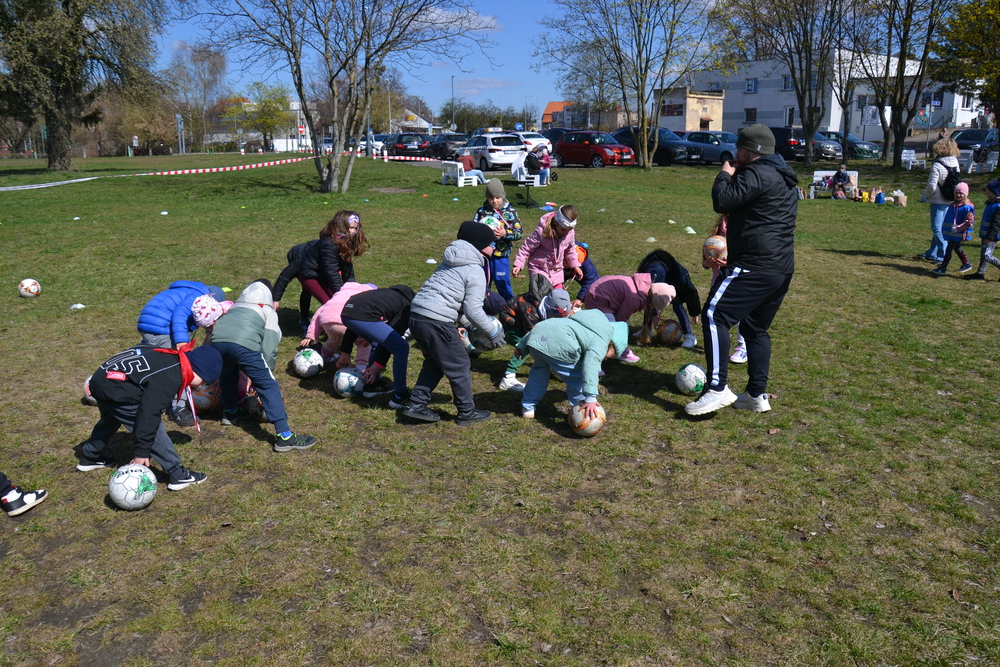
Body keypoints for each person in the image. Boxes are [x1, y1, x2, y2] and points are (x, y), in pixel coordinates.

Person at [686, 124, 797, 416]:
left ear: (751, 150)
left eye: (739, 148)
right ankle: (755, 395)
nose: (736, 153)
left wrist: (725, 173)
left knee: (714, 315)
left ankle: (717, 388)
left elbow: (722, 201)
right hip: (781, 268)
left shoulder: (757, 173)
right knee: (754, 328)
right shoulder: (783, 175)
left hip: (754, 265)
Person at [76, 344, 223, 491]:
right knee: (154, 428)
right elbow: (148, 414)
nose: (200, 386)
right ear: (197, 370)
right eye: (203, 381)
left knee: (111, 419)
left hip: (101, 380)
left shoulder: (169, 355)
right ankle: (177, 474)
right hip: (116, 389)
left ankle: (90, 456)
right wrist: (141, 453)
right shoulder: (170, 377)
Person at [403, 221, 506, 425]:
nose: (494, 246)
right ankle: (467, 412)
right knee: (460, 364)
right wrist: (492, 332)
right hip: (436, 321)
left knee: (435, 362)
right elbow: (473, 310)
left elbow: (454, 303)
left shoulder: (449, 262)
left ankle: (416, 404)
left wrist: (469, 325)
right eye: (491, 243)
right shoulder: (474, 269)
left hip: (417, 316)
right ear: (478, 245)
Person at [211, 280, 317, 452]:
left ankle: (230, 412)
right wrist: (264, 372)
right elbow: (269, 347)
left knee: (228, 375)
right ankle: (284, 436)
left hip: (216, 341)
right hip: (243, 345)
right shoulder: (267, 311)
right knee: (268, 385)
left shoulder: (236, 306)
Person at [136, 280, 227, 426]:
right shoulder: (197, 296)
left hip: (150, 323)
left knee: (151, 356)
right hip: (161, 327)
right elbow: (179, 315)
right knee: (178, 366)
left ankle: (131, 386)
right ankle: (177, 407)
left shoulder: (187, 291)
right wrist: (182, 341)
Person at [516, 308, 630, 420]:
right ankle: (582, 410)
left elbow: (544, 326)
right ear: (612, 344)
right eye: (612, 355)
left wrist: (521, 346)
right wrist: (591, 397)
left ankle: (528, 407)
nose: (606, 359)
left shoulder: (578, 324)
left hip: (537, 340)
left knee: (539, 373)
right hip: (560, 344)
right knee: (577, 378)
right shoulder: (602, 341)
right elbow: (590, 365)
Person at [277, 211, 370, 324]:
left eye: (356, 228)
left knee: (338, 300)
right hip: (307, 273)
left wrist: (351, 291)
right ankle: (309, 322)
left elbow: (347, 269)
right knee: (330, 303)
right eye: (351, 228)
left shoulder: (345, 241)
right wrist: (275, 298)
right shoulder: (329, 244)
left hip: (321, 271)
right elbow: (331, 272)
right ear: (342, 226)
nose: (354, 231)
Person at [340, 285, 417, 407]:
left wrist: (345, 351)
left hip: (347, 312)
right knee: (401, 347)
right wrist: (378, 364)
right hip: (363, 315)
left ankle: (373, 385)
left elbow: (354, 319)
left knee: (378, 341)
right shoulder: (408, 306)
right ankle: (400, 396)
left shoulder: (389, 295)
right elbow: (394, 333)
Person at [496, 274, 572, 392]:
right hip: (511, 321)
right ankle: (508, 377)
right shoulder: (532, 314)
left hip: (524, 320)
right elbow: (535, 339)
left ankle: (552, 367)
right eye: (555, 317)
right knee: (525, 345)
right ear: (546, 309)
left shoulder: (552, 303)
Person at [581, 273, 675, 363]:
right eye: (654, 307)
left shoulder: (643, 288)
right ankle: (612, 353)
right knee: (610, 330)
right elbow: (620, 322)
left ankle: (617, 348)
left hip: (600, 292)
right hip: (598, 298)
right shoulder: (635, 298)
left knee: (622, 324)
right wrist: (620, 338)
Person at [298, 281, 375, 369]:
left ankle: (325, 357)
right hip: (346, 322)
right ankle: (361, 366)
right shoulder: (364, 297)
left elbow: (319, 313)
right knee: (363, 341)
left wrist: (311, 334)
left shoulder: (339, 295)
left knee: (334, 339)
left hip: (328, 321)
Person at [703, 215, 748, 364]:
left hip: (737, 283)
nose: (725, 227)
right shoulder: (714, 241)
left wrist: (730, 263)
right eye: (724, 223)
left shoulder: (741, 238)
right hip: (718, 283)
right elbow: (704, 263)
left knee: (741, 316)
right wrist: (707, 264)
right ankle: (719, 344)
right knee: (715, 316)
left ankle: (743, 347)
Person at [637, 249, 702, 350]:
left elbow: (691, 291)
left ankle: (689, 336)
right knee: (649, 302)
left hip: (674, 282)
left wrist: (694, 312)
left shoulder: (680, 277)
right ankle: (647, 329)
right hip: (658, 283)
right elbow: (649, 299)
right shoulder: (646, 276)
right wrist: (654, 315)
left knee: (677, 304)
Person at [473, 179, 523, 300]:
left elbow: (519, 233)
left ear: (502, 196)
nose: (494, 201)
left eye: (497, 197)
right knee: (482, 283)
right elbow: (473, 230)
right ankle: (483, 306)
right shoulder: (481, 212)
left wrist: (505, 233)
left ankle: (508, 305)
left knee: (502, 282)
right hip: (483, 256)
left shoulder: (510, 212)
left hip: (501, 255)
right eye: (491, 198)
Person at [512, 205, 582, 289]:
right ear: (555, 222)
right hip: (539, 269)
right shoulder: (541, 232)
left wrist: (575, 265)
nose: (566, 233)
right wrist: (519, 264)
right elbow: (526, 248)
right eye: (563, 230)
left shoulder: (569, 233)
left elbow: (570, 250)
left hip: (557, 271)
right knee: (542, 295)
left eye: (569, 230)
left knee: (557, 295)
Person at [921, 138, 962, 263]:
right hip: (950, 199)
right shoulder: (955, 162)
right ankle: (932, 253)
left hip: (938, 200)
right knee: (942, 227)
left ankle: (943, 254)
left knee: (936, 228)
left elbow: (932, 186)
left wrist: (926, 196)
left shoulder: (937, 165)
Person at [272, 240, 320, 330]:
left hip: (314, 258)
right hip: (296, 253)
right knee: (307, 288)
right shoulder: (300, 261)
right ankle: (304, 319)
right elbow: (284, 277)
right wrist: (275, 299)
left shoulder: (328, 256)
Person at [932, 182, 974, 275]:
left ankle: (943, 267)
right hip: (951, 233)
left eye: (961, 193)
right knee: (957, 248)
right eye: (956, 193)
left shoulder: (967, 208)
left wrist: (958, 229)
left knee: (949, 250)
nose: (958, 195)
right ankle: (966, 264)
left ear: (966, 194)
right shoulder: (952, 205)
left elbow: (968, 222)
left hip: (958, 232)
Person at [965, 179, 1000, 280]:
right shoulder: (991, 204)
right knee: (983, 255)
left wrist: (990, 237)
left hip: (991, 236)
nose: (987, 195)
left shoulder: (998, 207)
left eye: (989, 193)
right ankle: (980, 273)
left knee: (986, 255)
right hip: (985, 234)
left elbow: (996, 224)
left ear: (996, 193)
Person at [563, 241, 599, 307]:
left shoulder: (585, 263)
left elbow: (591, 281)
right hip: (559, 268)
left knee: (595, 288)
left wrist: (580, 298)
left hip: (580, 270)